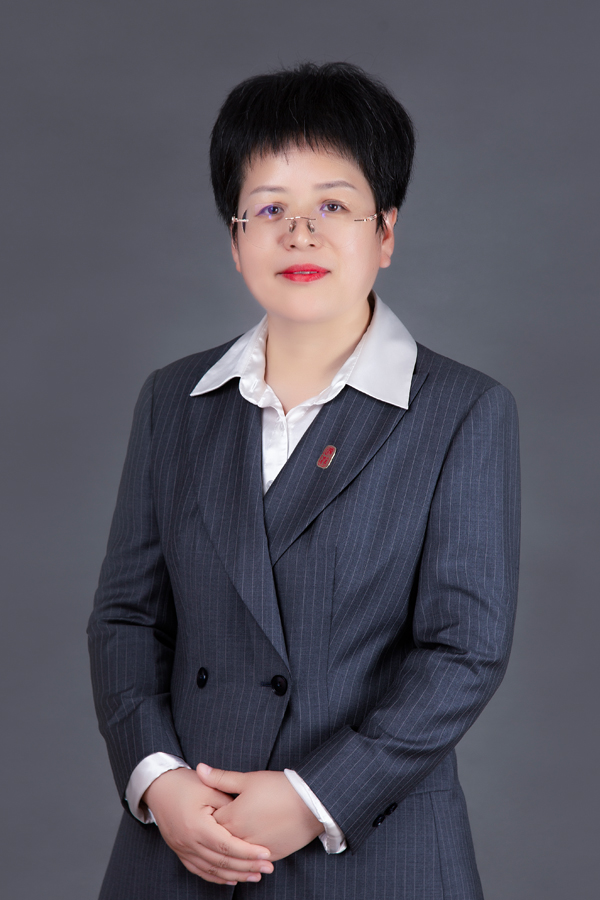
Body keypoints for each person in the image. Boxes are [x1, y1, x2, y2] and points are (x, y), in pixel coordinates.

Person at [88, 61, 520, 899]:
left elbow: (464, 651)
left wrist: (314, 797)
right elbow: (126, 617)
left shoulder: (462, 410)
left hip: (372, 849)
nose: (300, 233)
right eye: (269, 209)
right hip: (185, 844)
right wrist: (157, 781)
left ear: (384, 233)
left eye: (332, 206)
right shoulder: (174, 401)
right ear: (235, 239)